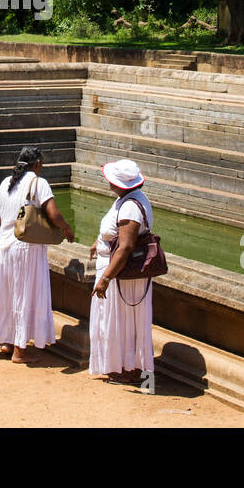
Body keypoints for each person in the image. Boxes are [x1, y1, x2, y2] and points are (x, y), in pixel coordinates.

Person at [0, 147, 73, 363]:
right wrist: (66, 229)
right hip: (26, 248)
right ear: (37, 163)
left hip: (5, 247)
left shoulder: (5, 182)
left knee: (7, 293)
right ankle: (20, 349)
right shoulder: (38, 183)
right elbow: (53, 213)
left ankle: (7, 342)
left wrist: (3, 238)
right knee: (24, 294)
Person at [89, 159, 155, 384]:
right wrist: (98, 243)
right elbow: (114, 233)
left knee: (125, 322)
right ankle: (123, 366)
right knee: (120, 320)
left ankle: (131, 370)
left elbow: (126, 246)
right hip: (118, 270)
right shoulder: (127, 200)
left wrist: (106, 278)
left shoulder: (129, 206)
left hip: (122, 274)